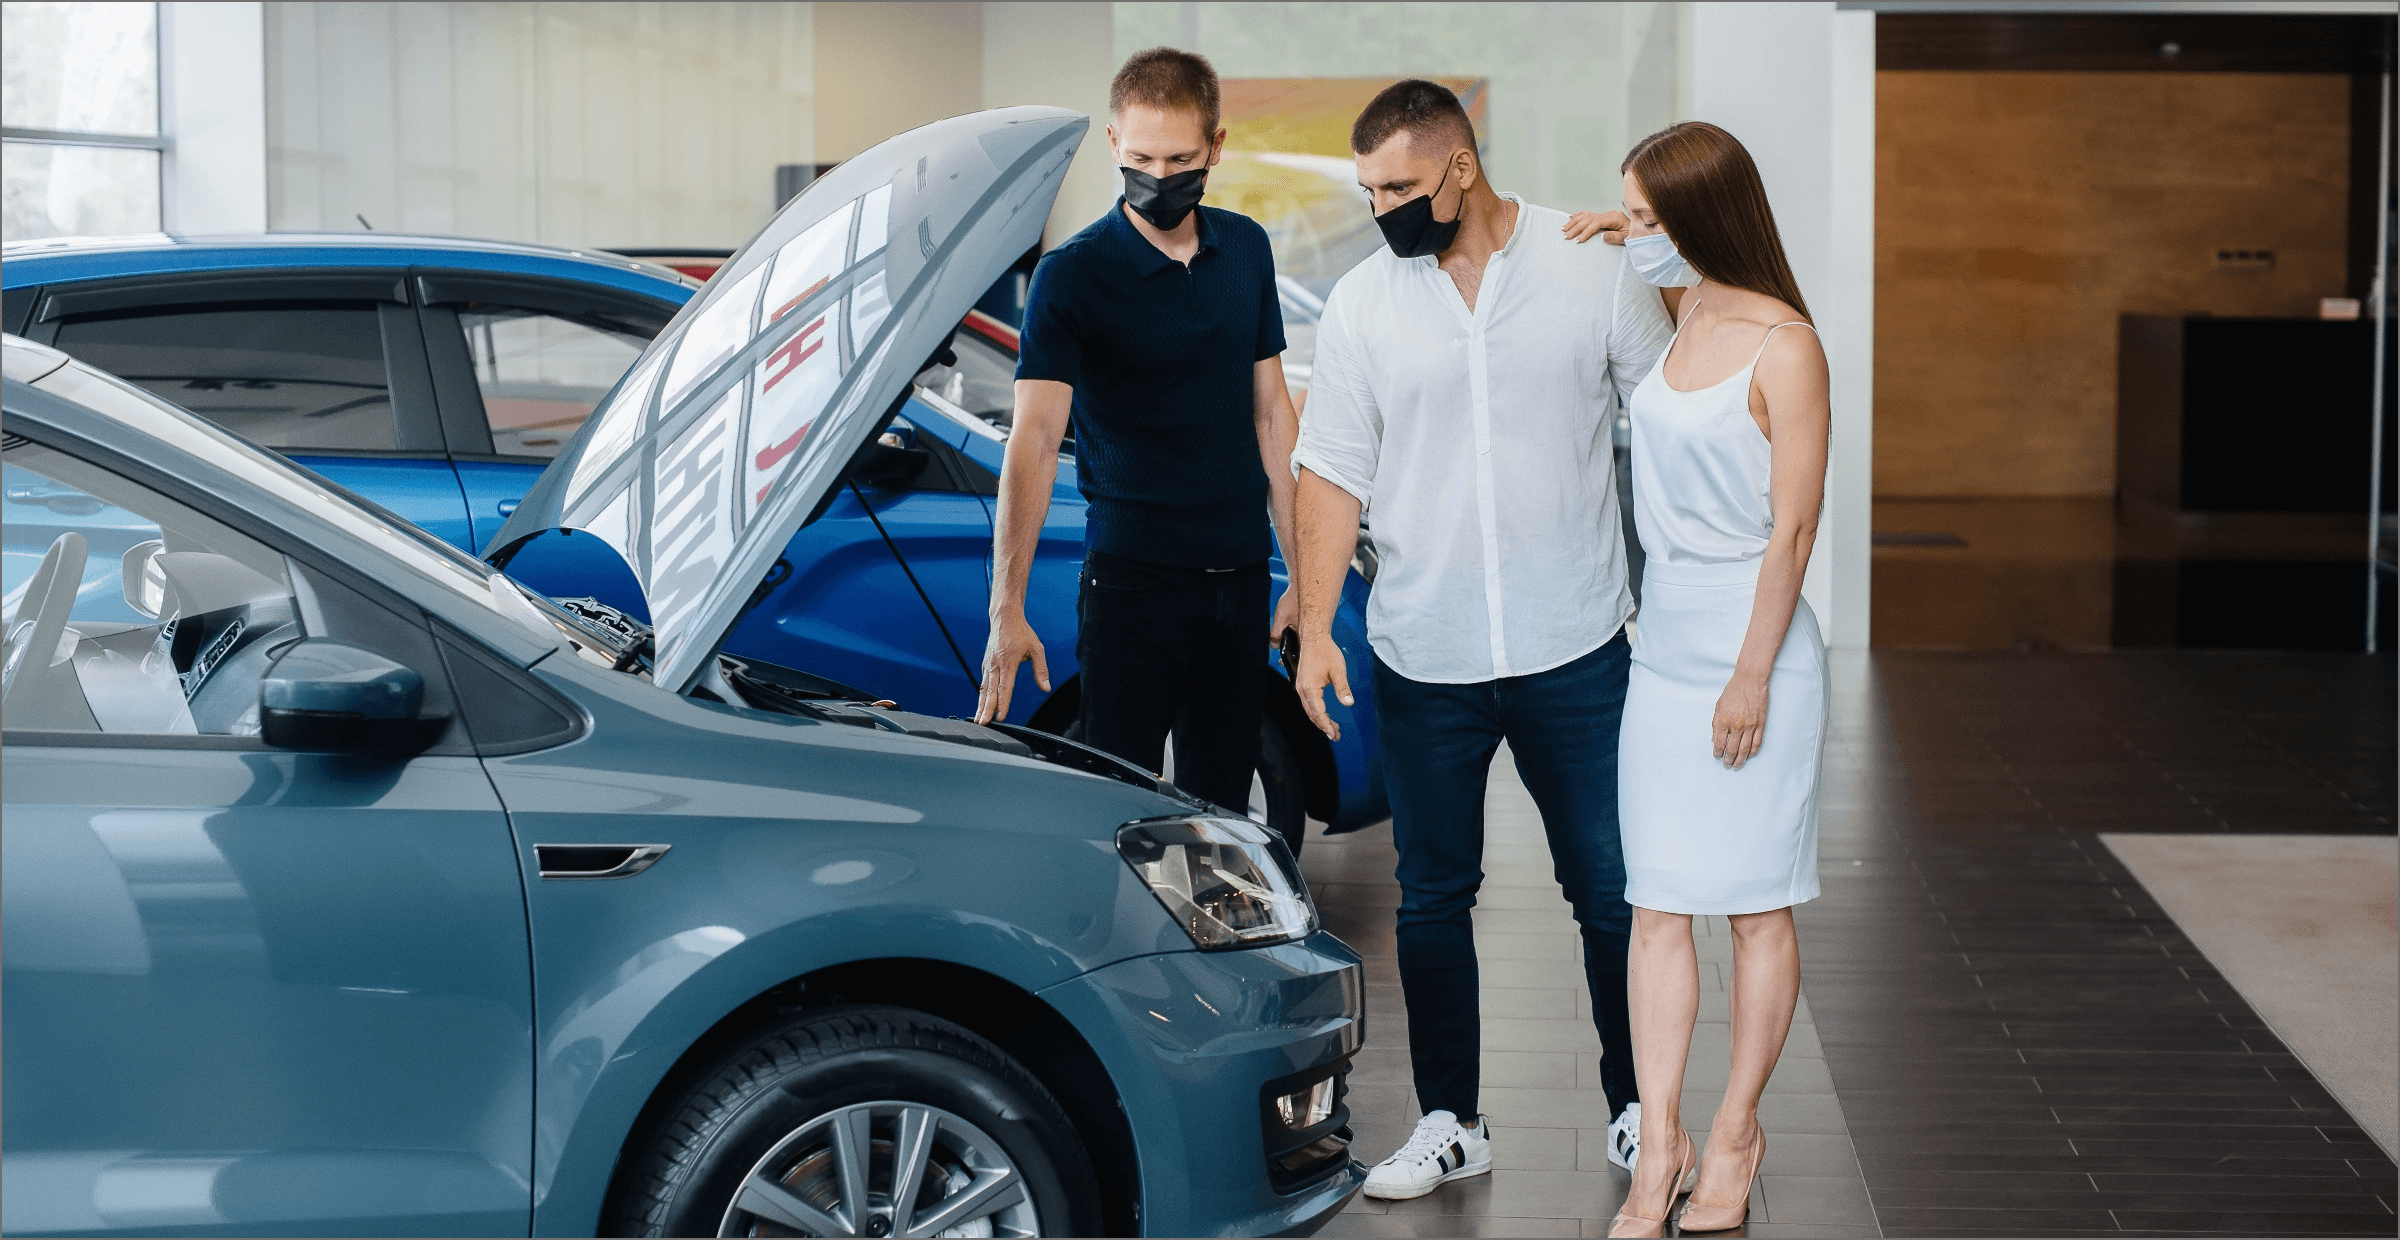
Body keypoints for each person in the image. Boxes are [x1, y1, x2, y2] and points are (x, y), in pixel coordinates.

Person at [1285, 79, 1675, 1201]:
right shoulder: (1364, 303)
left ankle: (1639, 1108)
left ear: (1461, 165)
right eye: (1368, 191)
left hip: (1578, 646)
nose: (1383, 208)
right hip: (1425, 653)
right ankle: (1451, 1121)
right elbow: (1331, 473)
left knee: (1608, 890)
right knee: (1431, 895)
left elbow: (1673, 406)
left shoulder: (1588, 262)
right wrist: (1316, 629)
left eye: (1400, 185)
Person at [975, 47, 1302, 832]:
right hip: (1130, 589)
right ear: (1115, 145)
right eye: (1143, 157)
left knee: (1224, 816)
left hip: (1238, 583)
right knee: (1118, 810)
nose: (1161, 175)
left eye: (1182, 159)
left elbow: (1272, 416)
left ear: (1215, 148)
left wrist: (1303, 580)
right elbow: (1035, 439)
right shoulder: (1073, 275)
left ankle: (1218, 959)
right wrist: (1005, 607)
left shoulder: (1246, 249)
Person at [1601, 122, 1831, 1238]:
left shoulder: (1786, 344)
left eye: (1652, 219)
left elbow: (1792, 533)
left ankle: (1735, 1126)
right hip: (1664, 645)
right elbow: (1640, 258)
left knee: (1752, 904)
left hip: (1756, 644)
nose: (1637, 237)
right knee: (1655, 905)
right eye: (1630, 217)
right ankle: (1662, 1143)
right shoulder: (1682, 308)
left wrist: (1751, 677)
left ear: (1703, 215)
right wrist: (1613, 229)